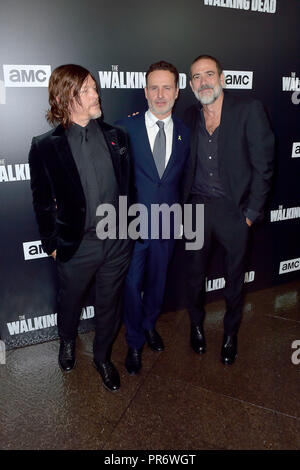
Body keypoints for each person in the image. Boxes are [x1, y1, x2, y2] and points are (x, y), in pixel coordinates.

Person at [28, 64, 132, 392]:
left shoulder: (118, 137)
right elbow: (42, 202)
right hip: (77, 245)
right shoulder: (45, 146)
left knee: (109, 304)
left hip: (116, 242)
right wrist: (52, 244)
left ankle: (102, 357)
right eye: (86, 90)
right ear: (64, 98)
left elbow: (128, 189)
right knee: (70, 301)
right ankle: (68, 341)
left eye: (94, 88)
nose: (96, 94)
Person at [183, 54, 274, 364]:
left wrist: (250, 214)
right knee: (194, 275)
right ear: (191, 84)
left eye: (209, 74)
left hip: (234, 212)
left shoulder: (248, 110)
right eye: (197, 77)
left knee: (234, 279)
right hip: (196, 210)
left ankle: (230, 333)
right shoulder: (189, 116)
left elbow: (264, 167)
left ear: (222, 78)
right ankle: (196, 326)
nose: (204, 81)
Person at [116, 61, 190, 375]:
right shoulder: (123, 129)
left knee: (158, 282)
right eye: (154, 88)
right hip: (131, 223)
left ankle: (148, 325)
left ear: (176, 91)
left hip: (168, 222)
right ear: (145, 92)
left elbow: (185, 180)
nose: (160, 94)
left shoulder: (187, 133)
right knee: (132, 285)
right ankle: (134, 342)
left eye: (167, 88)